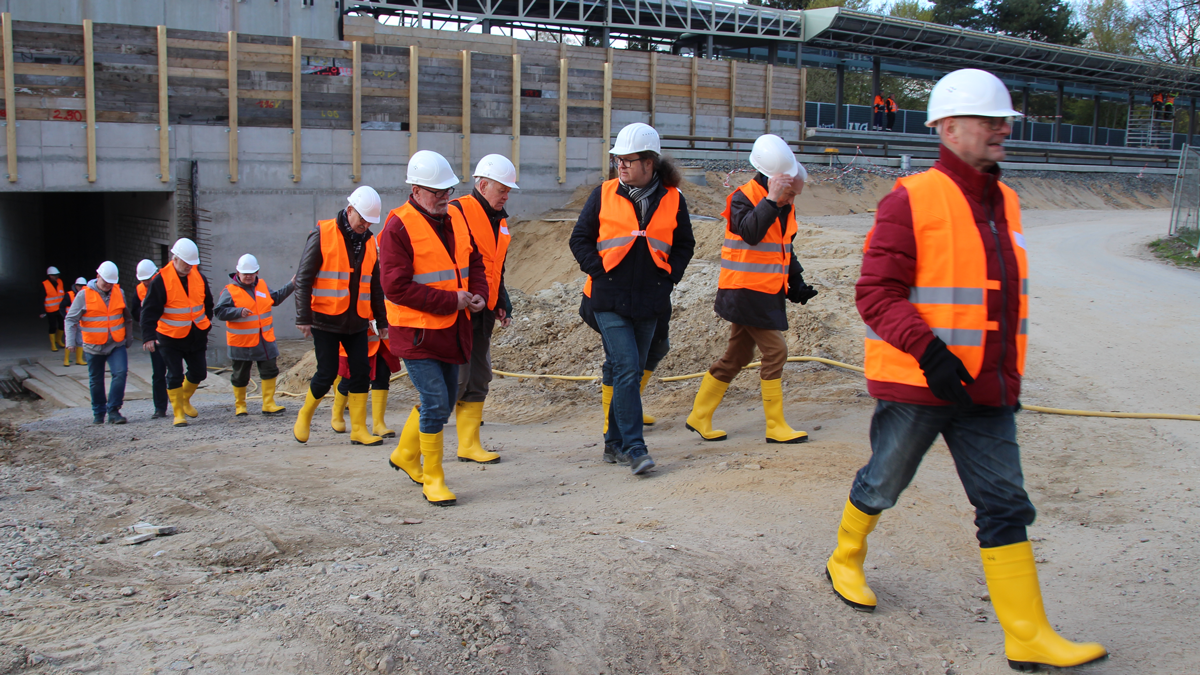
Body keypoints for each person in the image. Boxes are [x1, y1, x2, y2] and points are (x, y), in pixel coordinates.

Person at [823, 68, 1107, 671]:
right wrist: (929, 351)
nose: (1002, 129)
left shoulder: (1006, 201)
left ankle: (1026, 634)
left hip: (986, 390)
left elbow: (999, 300)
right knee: (884, 482)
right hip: (919, 384)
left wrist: (1003, 377)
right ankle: (845, 557)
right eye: (989, 120)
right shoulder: (912, 197)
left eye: (1004, 119)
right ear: (948, 128)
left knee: (1005, 500)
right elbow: (876, 292)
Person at [569, 122, 695, 475]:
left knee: (631, 370)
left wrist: (670, 276)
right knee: (625, 367)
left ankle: (613, 442)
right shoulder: (603, 193)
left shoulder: (673, 199)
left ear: (650, 163)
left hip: (650, 300)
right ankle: (635, 447)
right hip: (607, 299)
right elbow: (579, 239)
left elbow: (685, 244)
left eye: (628, 160)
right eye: (617, 160)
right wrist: (599, 270)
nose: (620, 166)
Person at [684, 134, 818, 445]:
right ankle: (775, 425)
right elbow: (751, 233)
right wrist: (772, 201)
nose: (791, 200)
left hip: (765, 291)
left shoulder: (784, 205)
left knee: (738, 354)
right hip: (744, 292)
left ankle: (700, 415)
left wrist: (795, 283)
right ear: (772, 181)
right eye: (788, 194)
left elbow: (784, 248)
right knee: (776, 351)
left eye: (793, 195)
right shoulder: (743, 199)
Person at [379, 150, 488, 507]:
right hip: (416, 334)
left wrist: (479, 294)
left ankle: (406, 456)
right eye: (437, 191)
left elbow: (473, 260)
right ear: (415, 189)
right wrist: (450, 301)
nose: (445, 197)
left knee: (442, 401)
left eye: (448, 190)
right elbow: (395, 287)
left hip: (452, 330)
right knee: (436, 400)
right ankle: (434, 477)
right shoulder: (397, 226)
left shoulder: (455, 218)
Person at [292, 186, 388, 446]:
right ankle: (305, 416)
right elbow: (303, 279)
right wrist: (303, 317)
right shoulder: (322, 233)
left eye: (370, 222)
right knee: (327, 373)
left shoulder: (370, 242)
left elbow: (375, 285)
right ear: (349, 211)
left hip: (357, 321)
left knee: (360, 372)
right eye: (362, 219)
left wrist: (382, 322)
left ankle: (358, 429)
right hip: (325, 319)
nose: (365, 225)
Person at [449, 153, 519, 465]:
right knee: (455, 381)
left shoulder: (499, 221)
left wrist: (501, 301)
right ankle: (411, 449)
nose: (506, 195)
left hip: (484, 311)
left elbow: (496, 268)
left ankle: (469, 445)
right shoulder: (456, 212)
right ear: (482, 184)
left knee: (479, 376)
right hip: (457, 311)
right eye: (502, 189)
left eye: (508, 190)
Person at [139, 238, 214, 428]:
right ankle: (178, 413)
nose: (189, 267)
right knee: (174, 374)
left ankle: (184, 399)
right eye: (186, 263)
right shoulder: (160, 281)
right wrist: (148, 335)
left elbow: (208, 304)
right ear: (175, 258)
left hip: (195, 334)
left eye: (192, 264)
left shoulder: (199, 277)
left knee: (199, 372)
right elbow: (148, 311)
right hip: (170, 337)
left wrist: (206, 323)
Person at [214, 253, 296, 417]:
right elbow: (219, 312)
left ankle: (268, 404)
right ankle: (240, 406)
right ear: (238, 273)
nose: (248, 277)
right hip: (241, 342)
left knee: (270, 370)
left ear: (257, 272)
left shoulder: (262, 286)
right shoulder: (230, 291)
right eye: (245, 274)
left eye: (251, 273)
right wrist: (238, 312)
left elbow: (276, 299)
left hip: (264, 340)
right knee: (240, 375)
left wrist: (292, 284)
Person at [64, 261, 132, 425]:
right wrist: (70, 341)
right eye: (105, 282)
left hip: (116, 343)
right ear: (98, 276)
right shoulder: (83, 295)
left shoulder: (119, 292)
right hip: (93, 346)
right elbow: (70, 319)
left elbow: (127, 317)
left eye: (111, 282)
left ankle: (114, 410)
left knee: (120, 373)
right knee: (96, 380)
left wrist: (128, 338)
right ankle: (99, 413)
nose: (108, 285)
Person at [329, 329, 399, 438]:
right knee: (350, 379)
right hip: (356, 341)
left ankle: (378, 424)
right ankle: (337, 413)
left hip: (382, 343)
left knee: (382, 376)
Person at [132, 259, 169, 419]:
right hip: (155, 336)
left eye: (148, 280)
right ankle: (160, 408)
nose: (146, 284)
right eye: (144, 281)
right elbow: (136, 313)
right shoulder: (139, 290)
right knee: (159, 373)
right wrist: (149, 334)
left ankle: (180, 403)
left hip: (171, 333)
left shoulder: (167, 283)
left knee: (176, 372)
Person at [63, 278, 87, 366]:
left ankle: (79, 359)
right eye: (80, 286)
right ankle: (66, 359)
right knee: (70, 340)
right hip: (72, 321)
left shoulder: (86, 295)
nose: (82, 288)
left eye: (83, 286)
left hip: (81, 321)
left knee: (80, 340)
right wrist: (65, 317)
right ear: (76, 286)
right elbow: (62, 306)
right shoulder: (69, 295)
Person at [41, 266, 66, 352]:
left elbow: (63, 294)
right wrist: (42, 311)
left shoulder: (60, 282)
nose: (57, 277)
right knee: (52, 326)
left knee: (62, 325)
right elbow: (41, 298)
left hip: (60, 308)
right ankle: (53, 344)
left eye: (57, 275)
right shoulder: (45, 284)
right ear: (50, 276)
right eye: (55, 275)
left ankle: (58, 340)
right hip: (50, 309)